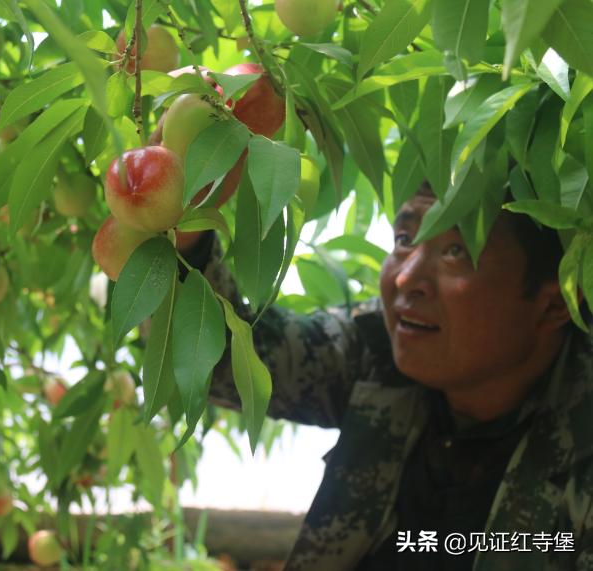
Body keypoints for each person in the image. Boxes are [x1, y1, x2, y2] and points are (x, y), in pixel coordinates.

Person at [180, 183, 593, 570]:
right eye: (404, 240)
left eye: (455, 250)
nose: (405, 278)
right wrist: (183, 231)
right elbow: (230, 364)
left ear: (557, 302)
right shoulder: (375, 348)